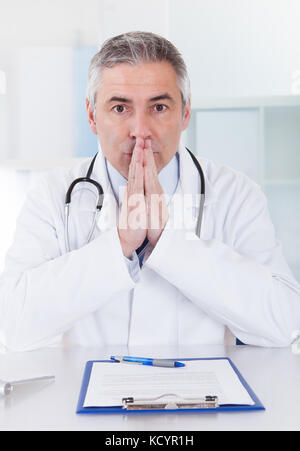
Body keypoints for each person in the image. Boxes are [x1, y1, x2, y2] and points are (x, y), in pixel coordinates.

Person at [0, 31, 299, 351]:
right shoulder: (52, 198)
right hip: (84, 398)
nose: (140, 130)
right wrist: (118, 245)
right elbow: (10, 327)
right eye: (119, 108)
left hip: (203, 399)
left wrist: (170, 243)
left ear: (185, 113)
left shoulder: (235, 195)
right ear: (92, 116)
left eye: (158, 107)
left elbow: (284, 323)